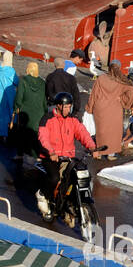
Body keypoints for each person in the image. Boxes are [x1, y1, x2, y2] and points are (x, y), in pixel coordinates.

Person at [34, 92, 96, 220]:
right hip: (50, 156)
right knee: (55, 178)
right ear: (58, 106)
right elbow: (43, 138)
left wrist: (91, 146)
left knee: (79, 177)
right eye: (66, 107)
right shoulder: (47, 119)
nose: (68, 109)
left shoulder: (73, 120)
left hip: (68, 157)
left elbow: (82, 133)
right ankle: (42, 194)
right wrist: (51, 152)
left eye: (70, 106)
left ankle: (72, 203)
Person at [88, 58, 133, 159]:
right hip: (114, 108)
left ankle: (100, 153)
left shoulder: (101, 78)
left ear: (109, 67)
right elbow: (132, 90)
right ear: (119, 68)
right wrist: (122, 99)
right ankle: (111, 154)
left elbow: (94, 94)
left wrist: (90, 108)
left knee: (101, 131)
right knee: (113, 132)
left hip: (100, 108)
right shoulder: (121, 80)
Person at [12, 61, 47, 158]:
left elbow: (19, 97)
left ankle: (20, 155)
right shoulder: (42, 82)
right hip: (39, 113)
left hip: (25, 112)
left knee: (22, 133)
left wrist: (16, 108)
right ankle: (37, 157)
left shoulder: (23, 80)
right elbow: (44, 100)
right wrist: (45, 111)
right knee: (36, 135)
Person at [0, 50, 18, 147]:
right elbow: (16, 82)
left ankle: (0, 133)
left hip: (1, 93)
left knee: (1, 113)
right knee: (11, 113)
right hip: (10, 93)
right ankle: (10, 133)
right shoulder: (11, 70)